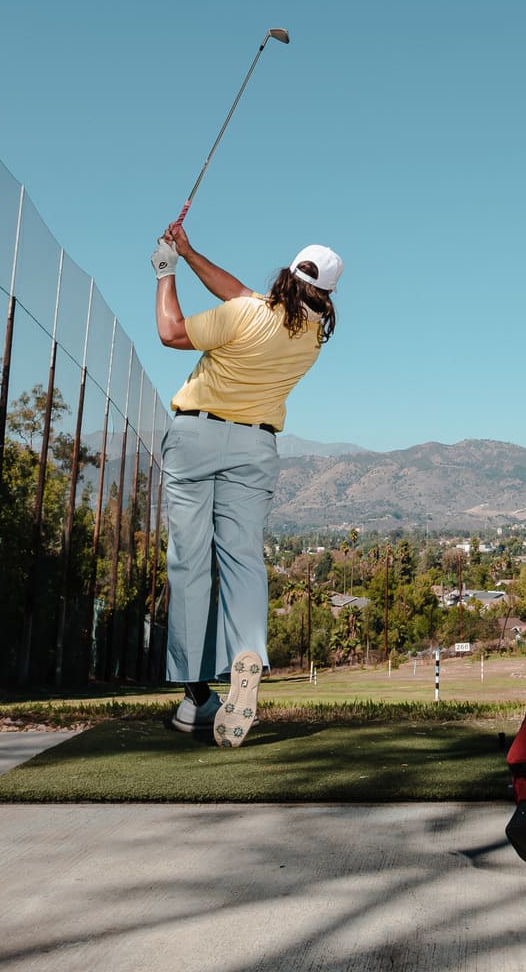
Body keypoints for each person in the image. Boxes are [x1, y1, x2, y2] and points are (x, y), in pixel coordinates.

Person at [150, 225, 341, 746]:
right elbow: (237, 293)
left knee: (190, 560)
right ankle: (247, 652)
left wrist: (166, 272)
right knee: (242, 559)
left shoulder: (245, 314)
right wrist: (190, 253)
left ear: (288, 270)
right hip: (255, 448)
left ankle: (195, 697)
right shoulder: (309, 338)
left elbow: (170, 331)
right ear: (325, 294)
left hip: (195, 437)